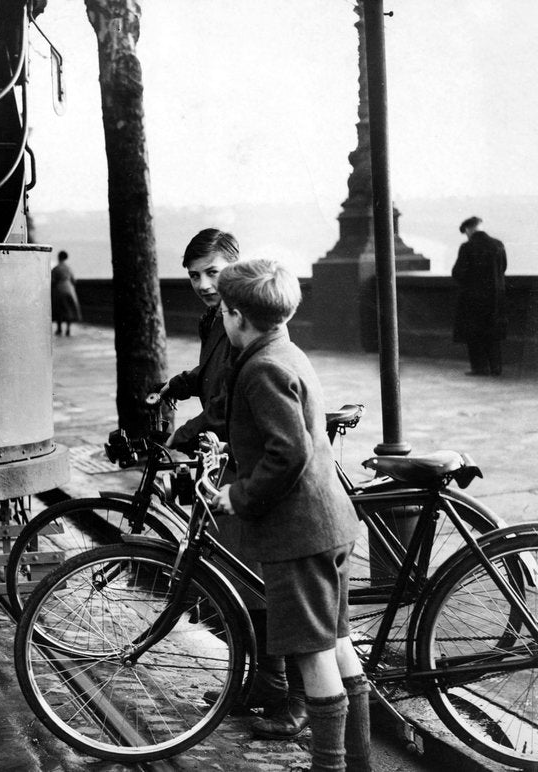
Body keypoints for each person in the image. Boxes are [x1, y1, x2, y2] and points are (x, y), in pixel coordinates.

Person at [209, 258, 370, 771]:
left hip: (300, 532)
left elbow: (288, 453)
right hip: (330, 523)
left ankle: (330, 766)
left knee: (313, 655)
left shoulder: (262, 368)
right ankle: (358, 762)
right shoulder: (287, 350)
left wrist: (239, 496)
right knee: (339, 643)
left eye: (224, 313)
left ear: (237, 316)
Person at [160, 229, 307, 740]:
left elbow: (229, 401)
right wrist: (180, 385)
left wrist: (187, 430)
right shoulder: (219, 318)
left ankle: (290, 693)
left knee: (266, 583)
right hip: (235, 456)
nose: (203, 284)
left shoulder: (244, 323)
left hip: (249, 460)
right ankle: (266, 682)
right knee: (244, 580)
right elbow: (212, 375)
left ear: (236, 268)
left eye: (212, 272)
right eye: (194, 275)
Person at [452, 216, 508, 376]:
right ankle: (496, 368)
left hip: (473, 299)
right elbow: (503, 268)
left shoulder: (467, 247)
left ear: (469, 229)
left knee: (474, 334)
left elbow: (458, 273)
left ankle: (480, 368)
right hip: (496, 298)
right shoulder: (498, 244)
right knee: (493, 333)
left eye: (466, 232)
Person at [51, 250, 82, 336]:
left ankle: (59, 328)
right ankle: (68, 329)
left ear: (59, 257)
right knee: (69, 309)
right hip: (69, 289)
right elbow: (74, 280)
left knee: (59, 309)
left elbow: (52, 280)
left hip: (59, 289)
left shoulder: (56, 268)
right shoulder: (69, 268)